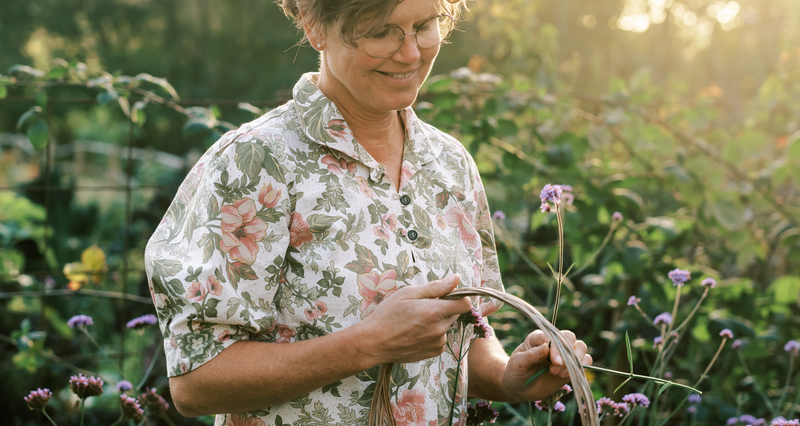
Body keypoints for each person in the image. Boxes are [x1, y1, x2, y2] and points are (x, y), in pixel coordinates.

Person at [143, 0, 592, 424]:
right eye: (382, 32)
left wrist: (507, 375)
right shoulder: (257, 163)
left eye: (425, 25)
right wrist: (367, 344)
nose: (411, 52)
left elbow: (459, 338)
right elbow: (195, 383)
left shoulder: (450, 163)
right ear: (316, 27)